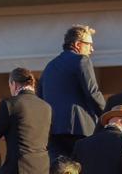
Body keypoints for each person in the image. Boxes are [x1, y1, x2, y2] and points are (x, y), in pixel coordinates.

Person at [38, 24, 106, 161]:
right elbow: (93, 93)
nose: (92, 49)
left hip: (54, 131)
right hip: (80, 129)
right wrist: (108, 116)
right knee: (84, 173)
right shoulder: (81, 60)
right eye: (89, 44)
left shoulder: (49, 66)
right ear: (77, 44)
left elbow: (40, 97)